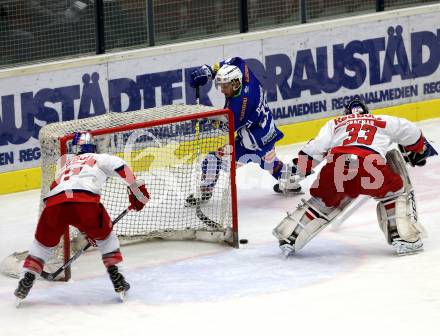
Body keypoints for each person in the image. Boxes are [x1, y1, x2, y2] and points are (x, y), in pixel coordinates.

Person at [273, 98, 431, 257]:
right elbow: (411, 132)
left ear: (346, 113)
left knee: (322, 201)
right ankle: (403, 237)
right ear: (367, 112)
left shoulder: (335, 123)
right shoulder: (382, 120)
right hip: (371, 167)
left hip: (337, 167)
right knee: (395, 192)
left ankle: (290, 235)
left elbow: (314, 150)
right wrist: (419, 148)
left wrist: (293, 176)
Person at [14, 131, 150, 304]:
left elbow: (63, 195)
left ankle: (26, 279)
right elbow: (122, 167)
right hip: (85, 202)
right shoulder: (99, 158)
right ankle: (118, 277)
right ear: (92, 146)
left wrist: (87, 231)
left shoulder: (64, 164)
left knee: (41, 246)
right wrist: (138, 192)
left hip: (54, 204)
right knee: (107, 239)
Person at [186, 56, 300, 205]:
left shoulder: (241, 105)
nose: (222, 90)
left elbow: (227, 127)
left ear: (235, 83)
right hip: (266, 132)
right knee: (267, 160)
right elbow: (235, 60)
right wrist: (209, 70)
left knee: (213, 159)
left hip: (252, 142)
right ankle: (290, 181)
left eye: (225, 86)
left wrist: (206, 118)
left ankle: (205, 192)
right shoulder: (245, 76)